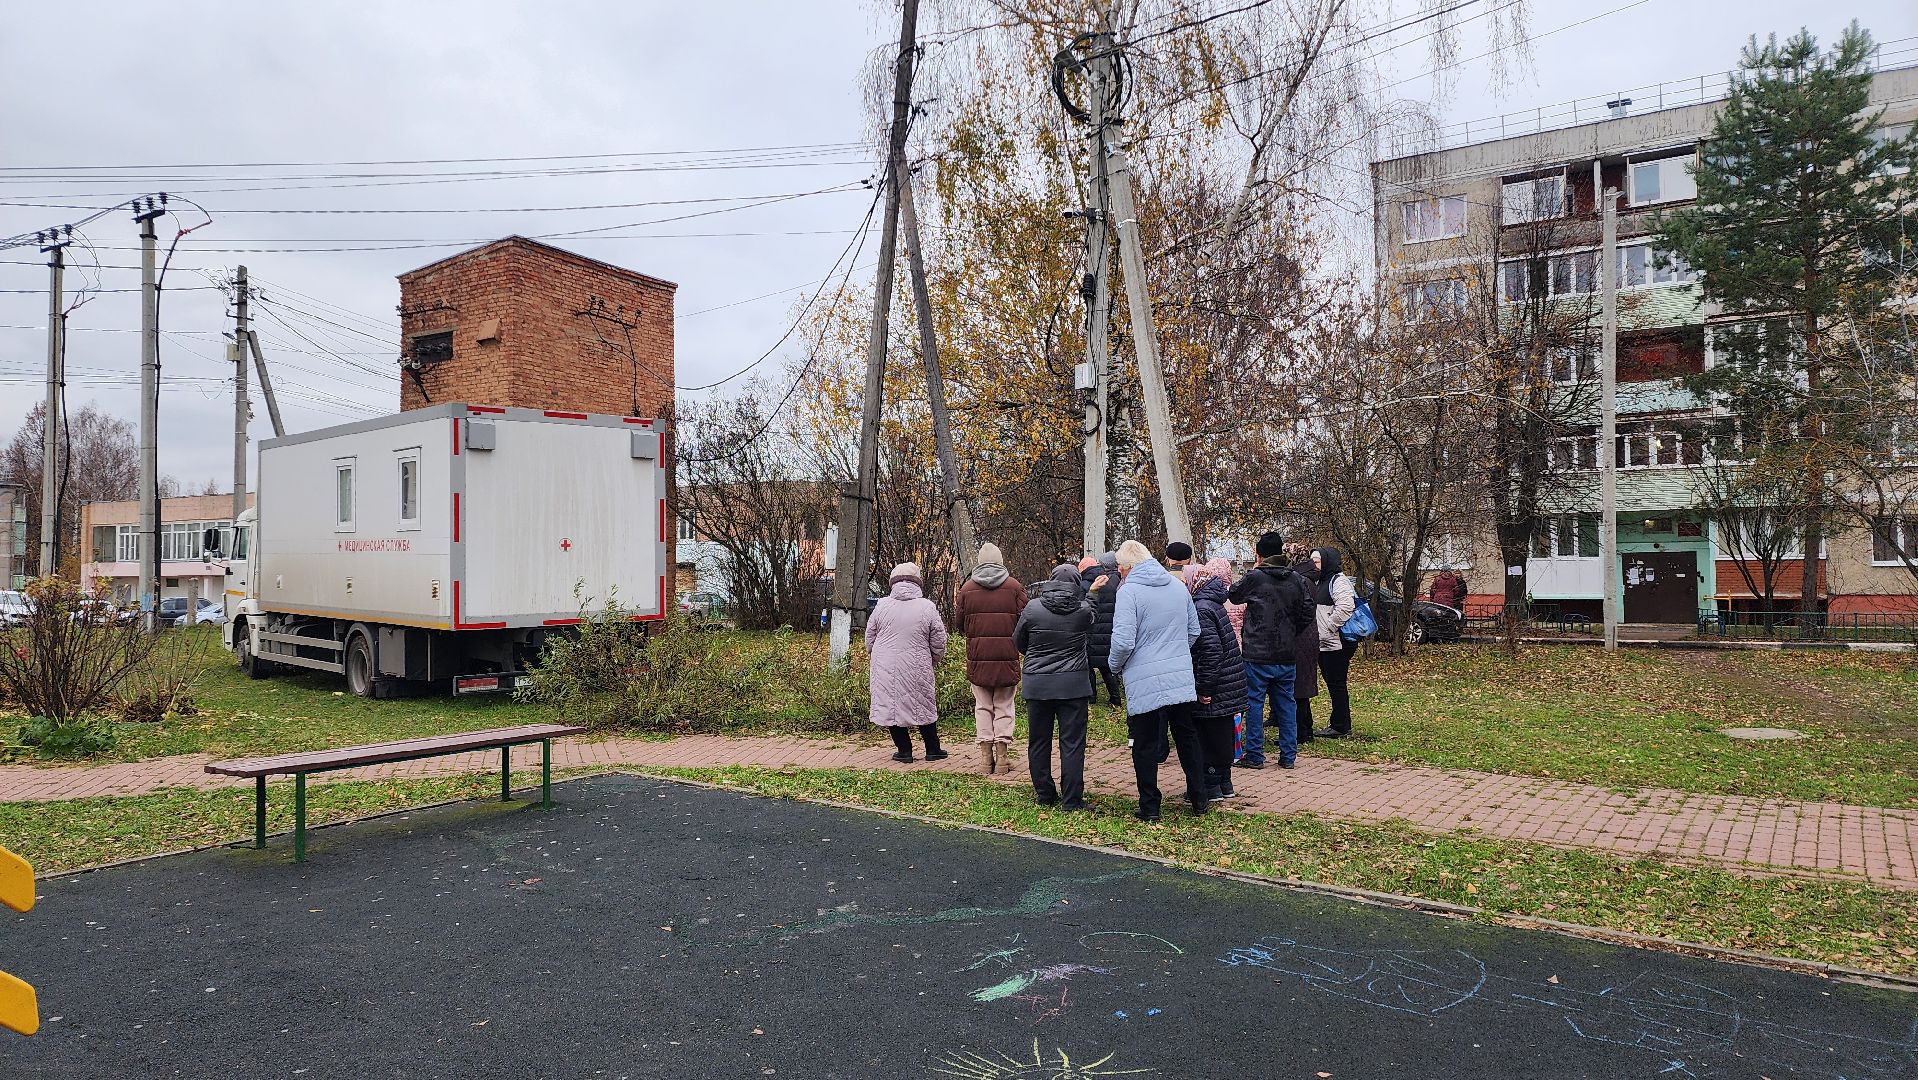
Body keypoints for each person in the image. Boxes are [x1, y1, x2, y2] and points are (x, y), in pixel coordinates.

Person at [1107, 540, 1205, 821]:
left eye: (1120, 567)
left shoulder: (1128, 592)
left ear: (1128, 567)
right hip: (1179, 674)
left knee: (1145, 743)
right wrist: (1176, 654)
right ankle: (1199, 798)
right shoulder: (1177, 587)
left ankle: (1150, 806)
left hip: (1144, 677)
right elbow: (1194, 630)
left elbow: (1123, 642)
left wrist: (1115, 666)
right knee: (1187, 737)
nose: (1118, 571)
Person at [1013, 564, 1108, 810]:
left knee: (1038, 741)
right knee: (1072, 743)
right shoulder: (1082, 610)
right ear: (1076, 583)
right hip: (1073, 687)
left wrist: (1036, 656)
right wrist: (1093, 593)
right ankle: (1072, 799)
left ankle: (1044, 794)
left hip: (1038, 685)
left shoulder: (1032, 608)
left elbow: (1019, 641)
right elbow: (1092, 618)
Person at [1226, 531, 1315, 770]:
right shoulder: (1296, 579)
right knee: (1287, 705)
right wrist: (1291, 631)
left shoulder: (1256, 577)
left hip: (1257, 653)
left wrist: (1255, 570)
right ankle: (1288, 756)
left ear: (1259, 555)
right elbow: (1308, 610)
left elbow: (1233, 594)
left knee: (1254, 704)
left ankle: (1255, 755)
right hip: (1285, 653)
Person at [955, 543, 1029, 775]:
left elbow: (959, 624)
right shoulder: (1014, 587)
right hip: (1007, 656)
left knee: (983, 707)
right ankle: (1003, 759)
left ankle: (985, 760)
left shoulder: (967, 589)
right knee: (1005, 706)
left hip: (978, 658)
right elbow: (1025, 622)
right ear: (1000, 561)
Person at [866, 562, 950, 763]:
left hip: (885, 666)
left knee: (891, 706)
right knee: (923, 705)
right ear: (918, 582)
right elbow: (939, 640)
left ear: (892, 582)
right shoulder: (927, 607)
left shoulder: (882, 606)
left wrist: (877, 657)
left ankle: (904, 751)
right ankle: (932, 749)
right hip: (917, 665)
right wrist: (932, 659)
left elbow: (870, 637)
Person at [1186, 563, 1248, 802]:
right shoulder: (1213, 602)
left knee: (1209, 736)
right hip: (1228, 681)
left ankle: (1210, 786)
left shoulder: (1200, 608)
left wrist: (1204, 688)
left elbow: (1211, 652)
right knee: (1222, 734)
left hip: (1217, 684)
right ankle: (1224, 782)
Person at [1313, 547, 1359, 739]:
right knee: (1333, 682)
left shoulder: (1338, 581)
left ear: (1327, 562)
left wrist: (1329, 626)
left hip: (1337, 642)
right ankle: (1339, 723)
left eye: (1317, 561)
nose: (1314, 565)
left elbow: (1346, 606)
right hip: (1326, 642)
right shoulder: (1321, 581)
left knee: (1337, 683)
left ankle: (1341, 726)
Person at [1079, 552, 1122, 705]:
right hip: (1108, 630)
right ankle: (1115, 698)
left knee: (1088, 666)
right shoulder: (1110, 582)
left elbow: (1081, 609)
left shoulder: (1083, 585)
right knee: (1106, 667)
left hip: (1090, 631)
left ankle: (1091, 698)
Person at [1289, 547, 1322, 744]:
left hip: (1300, 637)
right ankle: (1305, 728)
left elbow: (1301, 611)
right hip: (1308, 636)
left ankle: (1301, 731)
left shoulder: (1300, 580)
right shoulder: (1308, 578)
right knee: (1301, 685)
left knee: (1298, 686)